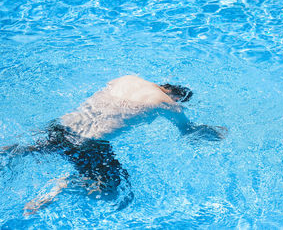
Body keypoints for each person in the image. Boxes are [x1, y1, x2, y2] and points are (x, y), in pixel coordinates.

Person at [1, 75, 225, 215]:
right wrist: (214, 133)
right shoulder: (167, 104)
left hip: (61, 125)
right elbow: (188, 131)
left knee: (38, 146)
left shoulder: (127, 78)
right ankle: (63, 186)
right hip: (87, 144)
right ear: (177, 98)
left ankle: (11, 150)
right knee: (112, 191)